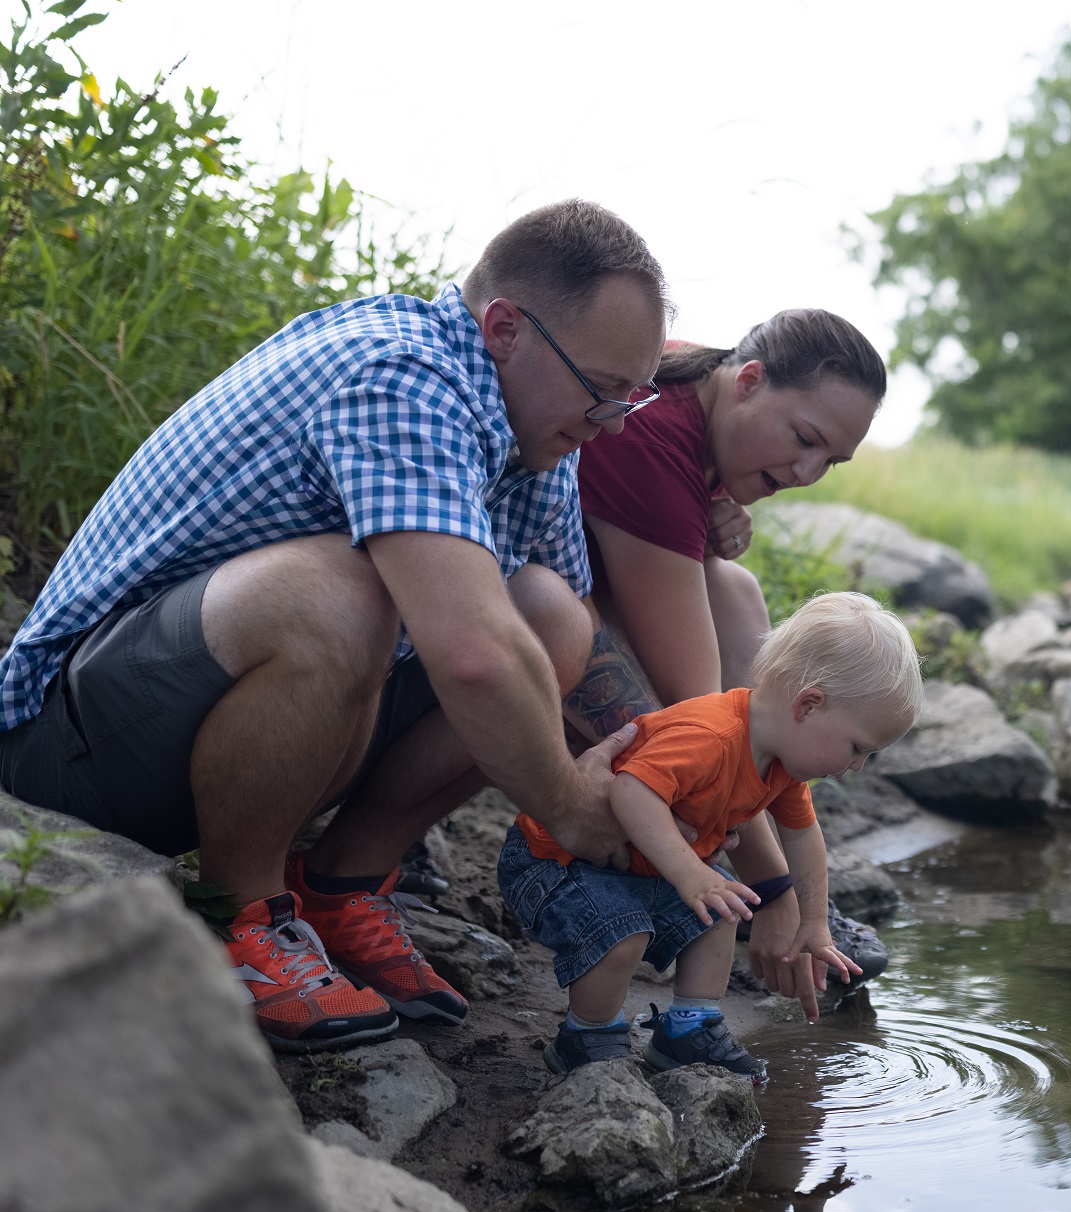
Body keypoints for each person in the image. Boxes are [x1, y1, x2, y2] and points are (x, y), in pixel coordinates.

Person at [0, 199, 666, 1052]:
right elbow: (469, 657)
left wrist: (675, 781)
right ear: (505, 327)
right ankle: (237, 920)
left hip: (210, 725)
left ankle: (339, 888)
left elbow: (559, 627)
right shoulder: (403, 374)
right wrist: (572, 808)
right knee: (347, 592)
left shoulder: (531, 422)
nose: (609, 423)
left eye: (630, 401)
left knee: (548, 623)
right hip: (71, 748)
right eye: (602, 391)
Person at [563, 309, 891, 1019]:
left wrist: (713, 505)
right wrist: (778, 899)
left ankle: (772, 890)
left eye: (829, 461)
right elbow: (705, 723)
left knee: (737, 590)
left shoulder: (700, 391)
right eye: (804, 439)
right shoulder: (654, 434)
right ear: (747, 381)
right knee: (697, 730)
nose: (807, 473)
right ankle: (740, 892)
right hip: (519, 601)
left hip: (564, 583)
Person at [499, 592, 921, 1077]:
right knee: (622, 931)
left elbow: (804, 837)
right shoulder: (711, 735)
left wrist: (813, 923)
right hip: (557, 861)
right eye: (858, 748)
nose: (856, 767)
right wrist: (690, 873)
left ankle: (688, 1029)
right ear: (809, 705)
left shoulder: (781, 766)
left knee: (724, 913)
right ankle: (587, 1036)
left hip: (640, 867)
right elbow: (632, 792)